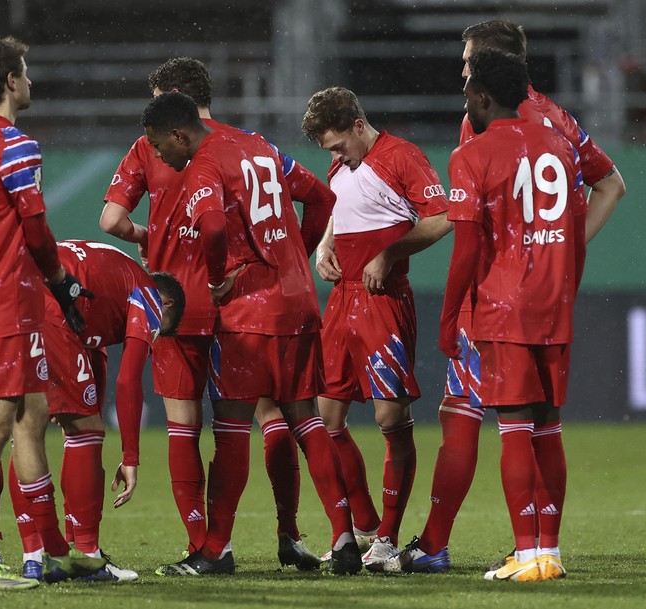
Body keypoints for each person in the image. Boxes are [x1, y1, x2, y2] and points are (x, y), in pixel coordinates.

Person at [388, 18, 626, 575]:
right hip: (551, 291)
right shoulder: (558, 123)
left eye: (468, 61)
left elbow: (469, 227)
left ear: (486, 76)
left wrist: (444, 302)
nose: (461, 70)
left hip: (496, 297)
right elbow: (611, 183)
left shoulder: (481, 129)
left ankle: (445, 544)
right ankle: (542, 546)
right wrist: (559, 248)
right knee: (545, 425)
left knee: (468, 416)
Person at [101, 57, 333, 572]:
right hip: (244, 300)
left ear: (175, 100)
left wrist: (146, 237)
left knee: (185, 426)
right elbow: (313, 198)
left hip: (179, 304)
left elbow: (111, 218)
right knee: (273, 416)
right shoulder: (246, 142)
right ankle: (290, 533)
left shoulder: (149, 146)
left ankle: (205, 545)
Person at [141, 91, 361, 576]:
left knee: (232, 427)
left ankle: (215, 548)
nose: (159, 156)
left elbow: (214, 228)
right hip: (298, 303)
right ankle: (345, 539)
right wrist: (294, 260)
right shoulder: (260, 146)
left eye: (159, 146)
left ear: (179, 134)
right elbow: (322, 198)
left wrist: (218, 277)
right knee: (306, 419)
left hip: (248, 312)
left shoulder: (203, 163)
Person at [0, 35, 104, 591]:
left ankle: (48, 550)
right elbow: (36, 233)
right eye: (26, 73)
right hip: (5, 304)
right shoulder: (15, 145)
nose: (31, 81)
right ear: (10, 81)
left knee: (31, 419)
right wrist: (62, 283)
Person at [300, 87, 450, 570]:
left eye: (339, 145)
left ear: (358, 126)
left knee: (390, 420)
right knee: (325, 419)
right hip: (342, 300)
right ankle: (361, 522)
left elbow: (443, 217)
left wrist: (389, 254)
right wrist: (324, 245)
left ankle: (386, 536)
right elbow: (340, 211)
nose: (336, 155)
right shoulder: (340, 165)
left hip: (385, 302)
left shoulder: (402, 156)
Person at [5, 240, 185, 583]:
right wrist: (130, 457)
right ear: (167, 304)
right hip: (50, 306)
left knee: (27, 429)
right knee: (85, 432)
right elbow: (128, 381)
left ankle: (36, 554)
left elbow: (96, 351)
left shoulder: (113, 277)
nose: (154, 336)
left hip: (12, 293)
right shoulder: (147, 295)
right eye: (161, 329)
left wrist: (86, 407)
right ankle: (87, 559)